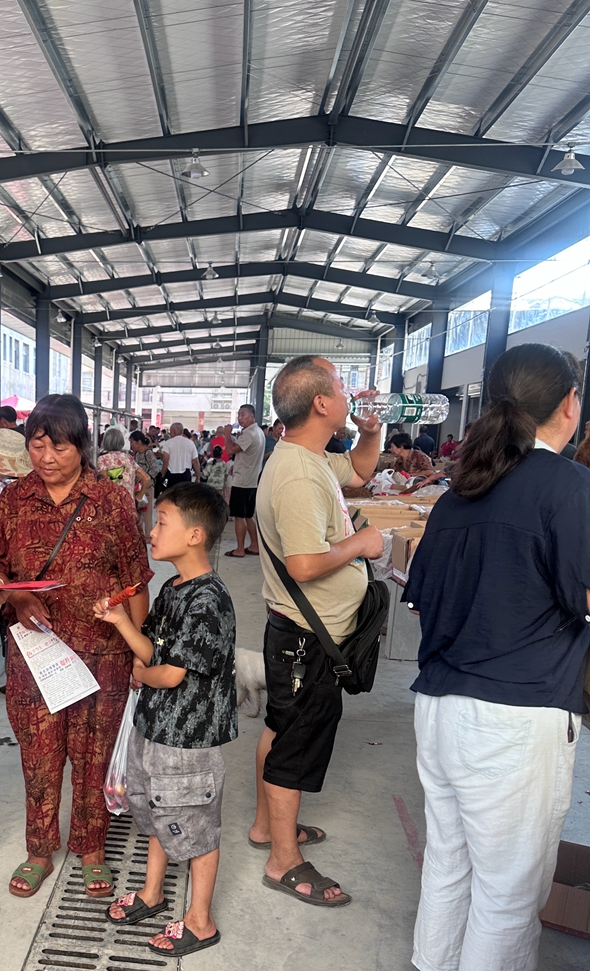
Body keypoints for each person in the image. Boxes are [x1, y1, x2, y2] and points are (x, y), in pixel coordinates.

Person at [404, 343, 588, 971]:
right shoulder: (567, 486)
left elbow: (422, 601)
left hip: (440, 709)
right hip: (515, 717)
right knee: (507, 896)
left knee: (449, 865)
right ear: (570, 403)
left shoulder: (461, 492)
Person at [0, 394, 153, 901]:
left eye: (59, 447)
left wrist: (139, 654)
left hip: (103, 655)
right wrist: (17, 596)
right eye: (37, 445)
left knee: (94, 756)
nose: (47, 457)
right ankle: (39, 849)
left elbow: (135, 579)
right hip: (36, 658)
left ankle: (91, 847)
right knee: (39, 755)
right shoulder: (14, 499)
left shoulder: (111, 500)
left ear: (82, 446)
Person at [250, 356, 383, 907]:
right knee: (297, 744)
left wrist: (370, 433)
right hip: (308, 637)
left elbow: (361, 473)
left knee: (282, 728)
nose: (351, 394)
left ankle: (267, 827)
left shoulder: (310, 456)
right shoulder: (300, 474)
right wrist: (362, 544)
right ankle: (283, 861)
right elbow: (304, 564)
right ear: (322, 403)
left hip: (300, 632)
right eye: (342, 386)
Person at [95, 483, 235, 957]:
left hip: (188, 742)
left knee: (196, 825)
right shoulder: (172, 589)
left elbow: (170, 674)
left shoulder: (209, 600)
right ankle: (153, 892)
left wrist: (141, 673)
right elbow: (152, 650)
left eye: (161, 522)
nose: (152, 532)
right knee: (158, 810)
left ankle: (201, 920)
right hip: (155, 727)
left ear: (195, 535)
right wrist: (121, 623)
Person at [224, 404, 264, 558]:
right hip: (252, 479)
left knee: (239, 516)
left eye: (243, 414)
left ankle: (240, 549)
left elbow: (230, 450)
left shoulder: (249, 433)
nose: (240, 418)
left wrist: (227, 434)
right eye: (239, 415)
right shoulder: (258, 431)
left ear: (252, 416)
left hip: (242, 480)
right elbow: (247, 455)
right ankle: (254, 545)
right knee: (248, 515)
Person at [97, 426, 151, 500]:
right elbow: (147, 478)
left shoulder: (103, 459)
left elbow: (104, 484)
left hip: (111, 503)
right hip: (128, 503)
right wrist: (139, 497)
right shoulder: (129, 458)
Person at [130, 429, 160, 530]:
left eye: (132, 442)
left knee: (147, 515)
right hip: (137, 488)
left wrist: (145, 478)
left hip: (147, 488)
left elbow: (155, 469)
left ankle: (148, 536)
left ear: (139, 442)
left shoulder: (148, 453)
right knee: (138, 515)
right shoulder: (137, 454)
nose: (131, 445)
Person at [160, 422, 200, 493]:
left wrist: (162, 473)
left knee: (172, 495)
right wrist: (198, 477)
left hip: (171, 474)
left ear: (173, 431)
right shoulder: (190, 443)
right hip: (185, 475)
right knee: (184, 495)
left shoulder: (168, 443)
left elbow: (165, 460)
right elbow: (195, 462)